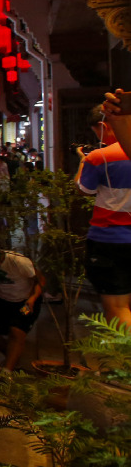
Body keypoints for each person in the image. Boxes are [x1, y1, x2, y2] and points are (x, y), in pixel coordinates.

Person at [76, 101, 131, 329]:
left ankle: (123, 361)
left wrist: (82, 160)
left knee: (117, 307)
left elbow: (83, 189)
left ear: (104, 125)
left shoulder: (100, 157)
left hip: (110, 239)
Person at [0, 245, 44, 372]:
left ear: (0, 256)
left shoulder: (19, 261)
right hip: (1, 300)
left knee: (16, 332)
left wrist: (32, 299)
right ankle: (13, 359)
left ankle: (7, 372)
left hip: (24, 300)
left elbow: (40, 281)